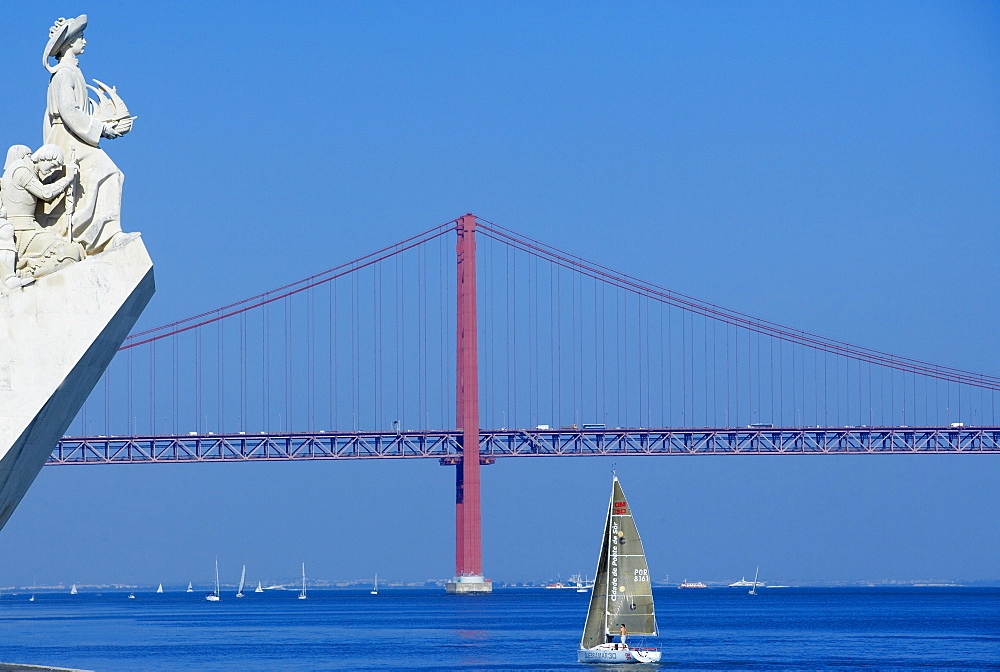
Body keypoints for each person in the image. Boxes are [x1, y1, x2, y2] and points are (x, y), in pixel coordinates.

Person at [42, 15, 132, 254]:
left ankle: (102, 234)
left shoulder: (72, 72)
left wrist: (102, 122)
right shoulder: (64, 74)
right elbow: (69, 111)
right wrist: (101, 129)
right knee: (109, 171)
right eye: (81, 37)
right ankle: (102, 237)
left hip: (75, 135)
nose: (85, 41)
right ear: (70, 42)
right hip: (67, 138)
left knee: (109, 174)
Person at [0, 144, 84, 279]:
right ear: (45, 158)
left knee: (72, 251)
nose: (53, 170)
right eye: (53, 165)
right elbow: (45, 193)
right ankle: (26, 275)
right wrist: (67, 179)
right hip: (22, 232)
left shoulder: (26, 170)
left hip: (28, 229)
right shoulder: (21, 170)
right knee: (70, 252)